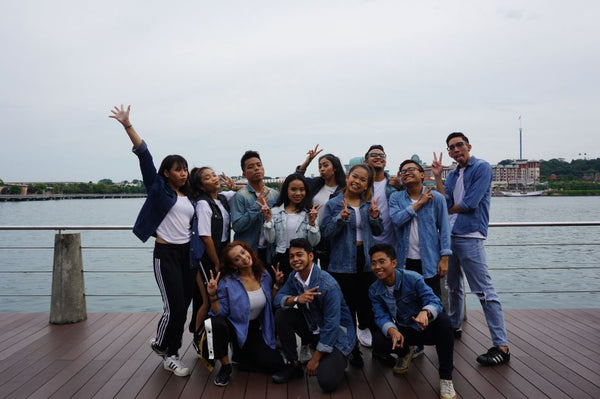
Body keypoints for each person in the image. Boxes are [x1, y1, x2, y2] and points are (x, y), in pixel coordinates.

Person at [109, 104, 194, 377]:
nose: (183, 173)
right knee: (174, 307)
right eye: (178, 169)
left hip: (186, 256)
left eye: (186, 169)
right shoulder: (158, 189)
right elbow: (144, 155)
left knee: (183, 308)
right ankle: (165, 349)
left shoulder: (187, 195)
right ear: (167, 172)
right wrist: (127, 126)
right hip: (165, 255)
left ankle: (169, 349)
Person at [432, 132, 510, 366]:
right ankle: (454, 326)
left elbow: (469, 204)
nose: (456, 150)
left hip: (470, 236)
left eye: (459, 145)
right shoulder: (454, 174)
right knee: (452, 286)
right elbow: (445, 202)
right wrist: (437, 177)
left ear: (468, 146)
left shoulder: (482, 168)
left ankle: (501, 345)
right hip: (451, 236)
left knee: (485, 291)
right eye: (451, 148)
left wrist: (447, 212)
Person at [368, 244, 456, 399]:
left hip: (425, 327)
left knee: (444, 322)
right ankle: (405, 352)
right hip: (405, 330)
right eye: (374, 263)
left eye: (382, 261)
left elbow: (434, 301)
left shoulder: (412, 278)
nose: (377, 267)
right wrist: (392, 330)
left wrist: (426, 312)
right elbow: (380, 316)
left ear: (394, 263)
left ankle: (446, 378)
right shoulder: (374, 289)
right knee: (378, 341)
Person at [271, 238, 355, 393]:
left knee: (326, 382)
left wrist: (315, 359)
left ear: (310, 256)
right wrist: (296, 299)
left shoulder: (328, 285)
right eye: (291, 256)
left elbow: (332, 326)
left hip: (336, 337)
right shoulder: (293, 277)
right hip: (313, 328)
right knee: (282, 314)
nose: (295, 259)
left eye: (299, 255)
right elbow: (277, 301)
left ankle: (342, 357)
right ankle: (293, 365)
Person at [320, 164, 382, 367]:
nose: (358, 181)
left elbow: (378, 230)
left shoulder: (368, 203)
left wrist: (374, 217)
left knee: (370, 308)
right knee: (347, 310)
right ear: (347, 177)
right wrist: (340, 218)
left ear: (367, 185)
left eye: (363, 180)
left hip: (366, 261)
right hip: (341, 263)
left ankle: (380, 351)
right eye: (355, 176)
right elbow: (325, 233)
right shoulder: (334, 203)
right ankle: (352, 350)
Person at [390, 159, 452, 358]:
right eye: (403, 171)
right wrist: (418, 205)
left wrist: (445, 258)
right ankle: (413, 345)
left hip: (429, 261)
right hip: (404, 261)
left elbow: (444, 229)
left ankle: (435, 339)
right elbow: (397, 220)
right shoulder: (396, 198)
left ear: (422, 175)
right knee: (405, 304)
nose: (406, 173)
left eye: (411, 170)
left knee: (431, 302)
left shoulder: (436, 198)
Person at [205, 241, 286, 386]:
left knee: (277, 364)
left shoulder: (264, 275)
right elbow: (220, 313)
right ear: (233, 265)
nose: (243, 258)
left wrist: (277, 285)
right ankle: (225, 366)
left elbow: (269, 302)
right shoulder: (227, 282)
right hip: (233, 326)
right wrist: (212, 296)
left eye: (243, 252)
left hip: (253, 328)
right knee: (213, 323)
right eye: (237, 258)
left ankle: (241, 357)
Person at [187, 167, 236, 351]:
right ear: (200, 185)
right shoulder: (203, 204)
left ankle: (207, 337)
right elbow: (205, 237)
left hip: (221, 252)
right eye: (207, 178)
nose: (214, 179)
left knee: (214, 298)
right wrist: (216, 262)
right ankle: (198, 336)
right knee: (207, 299)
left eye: (214, 175)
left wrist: (234, 186)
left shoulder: (221, 199)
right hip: (208, 256)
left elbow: (237, 193)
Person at [360, 144, 400, 347]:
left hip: (391, 244)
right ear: (366, 160)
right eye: (373, 155)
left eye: (381, 155)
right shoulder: (362, 186)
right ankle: (369, 328)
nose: (378, 158)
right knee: (370, 290)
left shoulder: (394, 187)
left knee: (393, 289)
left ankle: (394, 330)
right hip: (367, 244)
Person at [294, 145, 347, 269]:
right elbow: (297, 178)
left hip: (333, 236)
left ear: (335, 168)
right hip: (312, 232)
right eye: (320, 166)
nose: (322, 169)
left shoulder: (344, 190)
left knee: (329, 269)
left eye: (325, 165)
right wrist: (308, 161)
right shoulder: (315, 184)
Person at [259, 173, 321, 277]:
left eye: (302, 189)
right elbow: (270, 239)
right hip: (282, 257)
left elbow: (313, 242)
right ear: (286, 191)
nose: (298, 193)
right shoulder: (275, 212)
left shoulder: (310, 213)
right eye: (293, 189)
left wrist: (312, 223)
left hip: (303, 259)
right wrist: (268, 220)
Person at [231, 150, 279, 266]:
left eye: (259, 165)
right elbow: (237, 226)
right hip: (248, 253)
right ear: (244, 174)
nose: (256, 169)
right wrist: (256, 205)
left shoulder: (274, 194)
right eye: (251, 167)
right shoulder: (240, 196)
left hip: (269, 251)